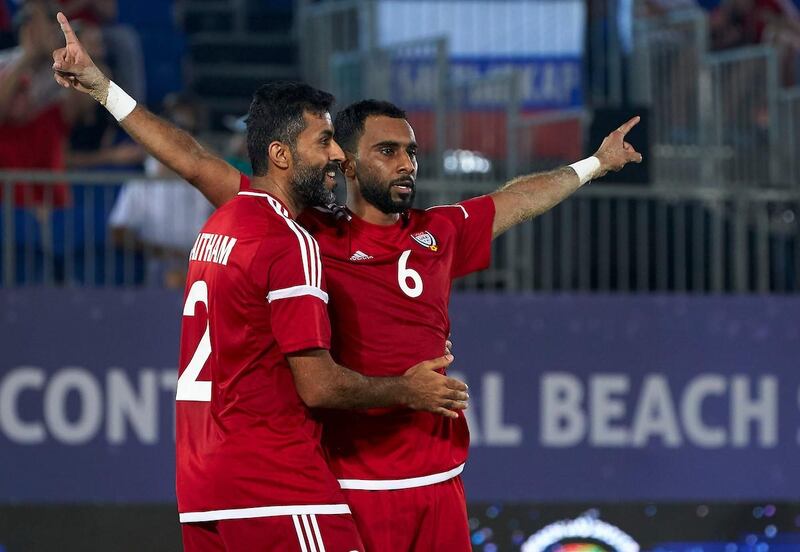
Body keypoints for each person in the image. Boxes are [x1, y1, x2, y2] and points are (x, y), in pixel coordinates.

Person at [51, 12, 641, 551]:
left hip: (438, 480)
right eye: (388, 150)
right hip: (348, 484)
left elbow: (517, 199)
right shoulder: (300, 230)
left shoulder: (439, 232)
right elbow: (193, 159)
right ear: (348, 165)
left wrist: (594, 164)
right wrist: (104, 89)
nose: (407, 162)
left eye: (411, 151)